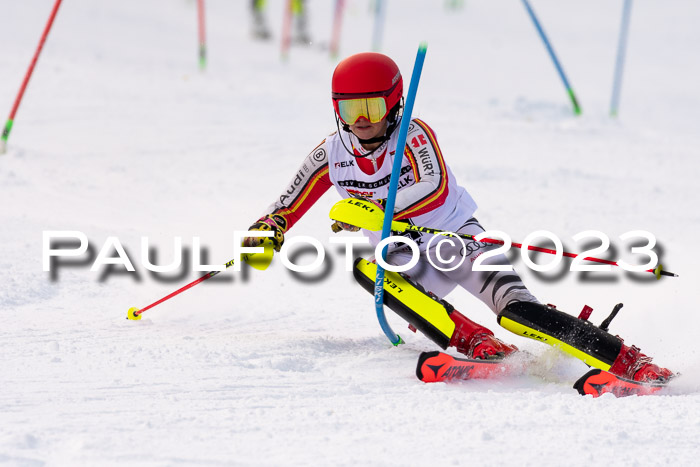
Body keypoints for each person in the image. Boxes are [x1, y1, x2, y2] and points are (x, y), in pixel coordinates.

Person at [243, 52, 673, 382]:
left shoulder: (414, 133)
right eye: (350, 109)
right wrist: (268, 229)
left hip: (454, 240)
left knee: (518, 313)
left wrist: (373, 213)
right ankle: (475, 341)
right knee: (369, 272)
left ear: (393, 103)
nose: (361, 122)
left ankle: (627, 360)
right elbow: (289, 200)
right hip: (403, 256)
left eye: (372, 109)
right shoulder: (331, 154)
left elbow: (433, 187)